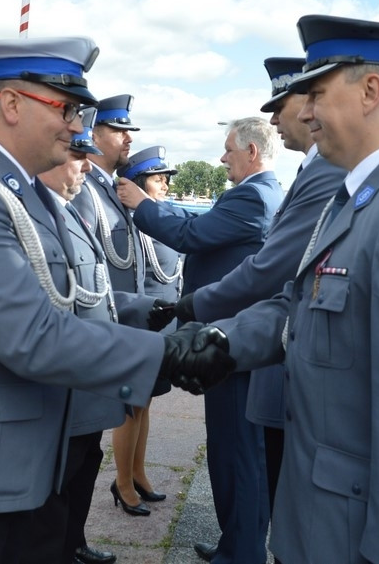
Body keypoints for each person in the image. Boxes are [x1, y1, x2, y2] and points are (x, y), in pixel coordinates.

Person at [0, 36, 230, 564]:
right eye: (67, 109)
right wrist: (166, 355)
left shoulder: (25, 191)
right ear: (12, 104)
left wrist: (138, 314)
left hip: (28, 461)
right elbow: (29, 335)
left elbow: (68, 298)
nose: (79, 128)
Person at [181, 15, 379, 563]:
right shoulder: (360, 193)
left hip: (363, 537)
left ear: (370, 91)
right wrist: (221, 342)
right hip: (318, 518)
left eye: (317, 93)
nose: (306, 111)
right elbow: (302, 305)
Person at [171, 57, 346, 564]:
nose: (275, 121)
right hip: (264, 336)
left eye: (284, 105)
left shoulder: (325, 174)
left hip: (288, 358)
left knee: (249, 461)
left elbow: (274, 272)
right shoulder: (314, 172)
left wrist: (193, 313)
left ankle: (243, 550)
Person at [118, 116, 283, 564]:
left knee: (236, 452)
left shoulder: (253, 196)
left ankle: (242, 550)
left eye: (229, 149)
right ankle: (236, 541)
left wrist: (141, 204)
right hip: (237, 335)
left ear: (252, 152)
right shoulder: (264, 193)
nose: (223, 157)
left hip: (231, 341)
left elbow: (194, 233)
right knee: (236, 450)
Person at [34, 113, 154, 564]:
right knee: (64, 474)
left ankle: (72, 544)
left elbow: (100, 280)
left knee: (84, 462)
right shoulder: (51, 210)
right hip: (74, 366)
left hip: (95, 356)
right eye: (77, 154)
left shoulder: (78, 200)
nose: (86, 165)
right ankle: (64, 546)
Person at [107, 145, 180, 525]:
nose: (166, 183)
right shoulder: (128, 224)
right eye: (158, 177)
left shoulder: (160, 218)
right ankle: (122, 482)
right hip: (138, 327)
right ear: (137, 183)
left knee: (146, 405)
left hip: (160, 328)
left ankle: (138, 472)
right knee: (131, 408)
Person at [72, 94, 144, 295]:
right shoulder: (83, 189)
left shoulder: (114, 188)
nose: (129, 138)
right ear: (93, 136)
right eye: (120, 131)